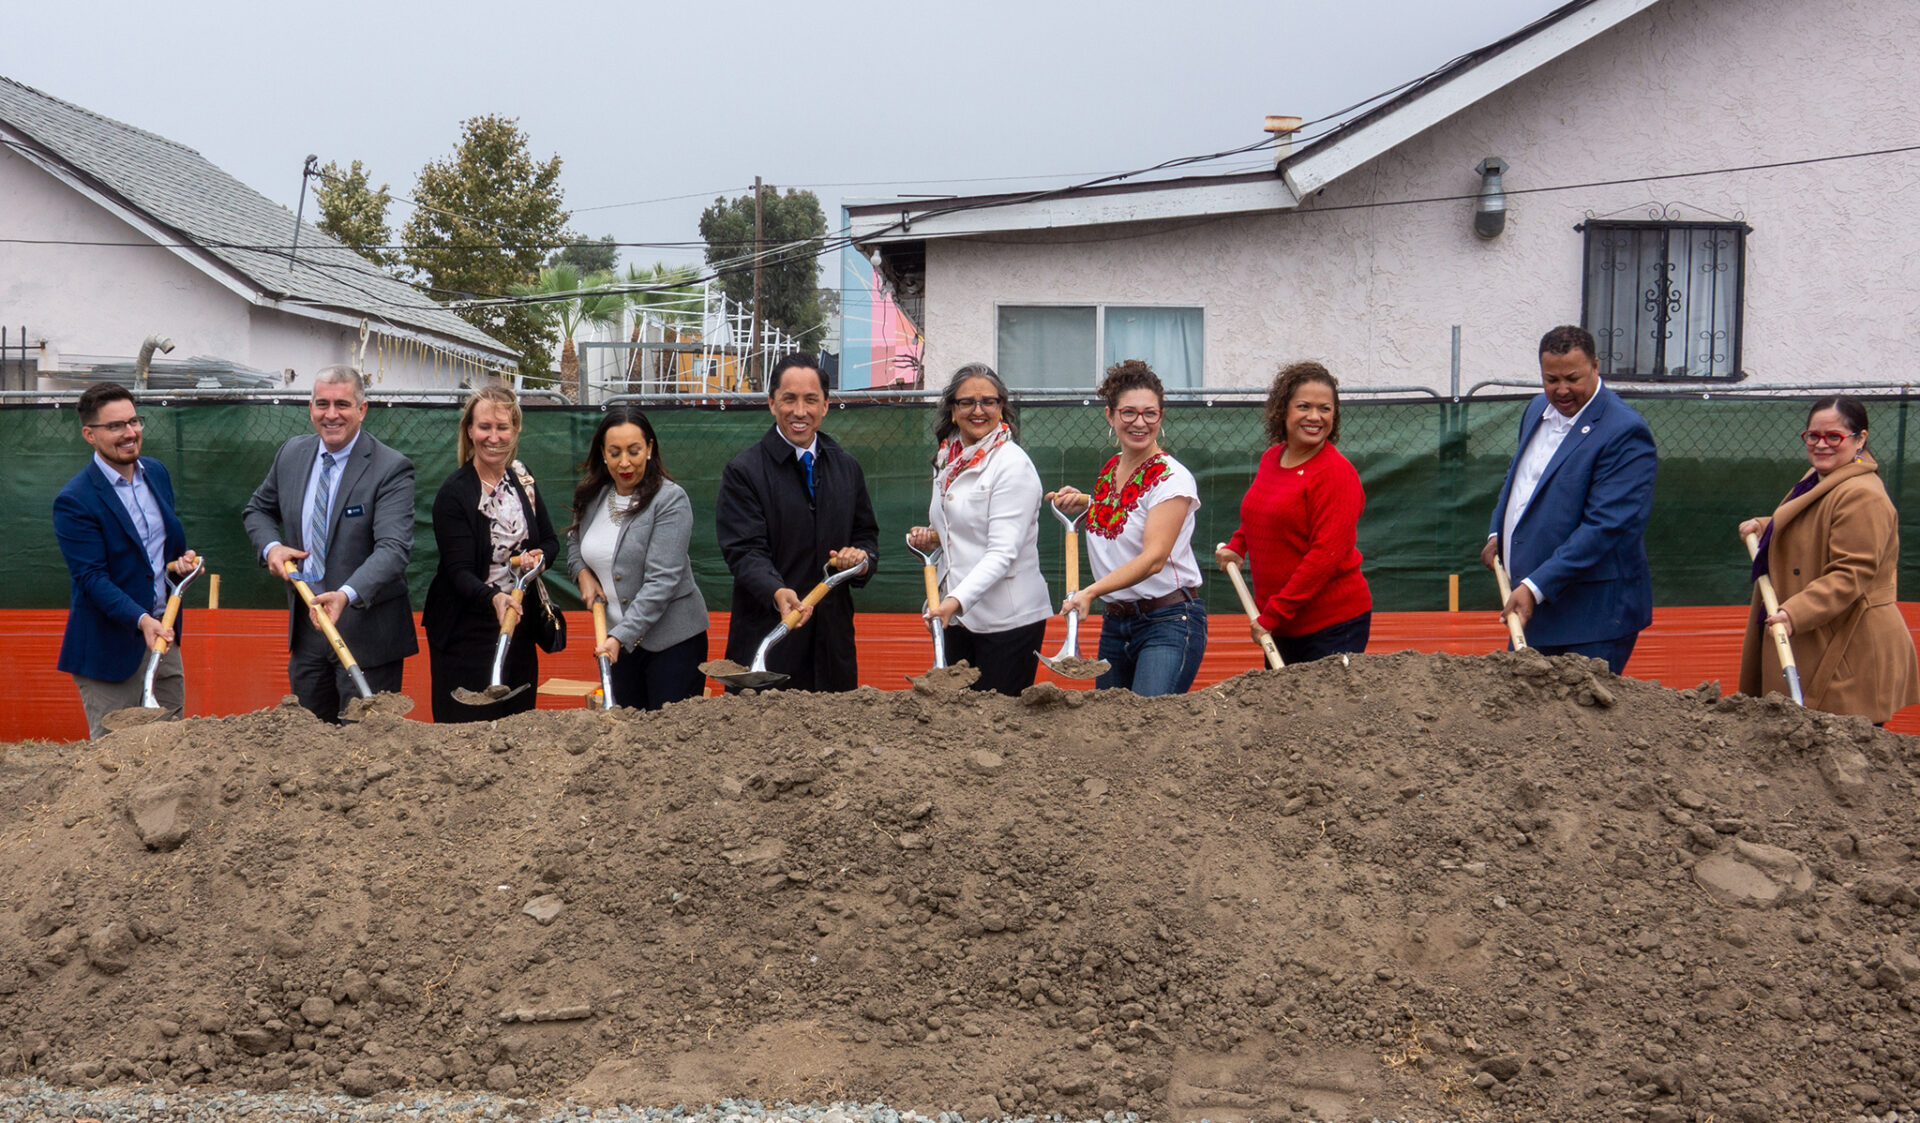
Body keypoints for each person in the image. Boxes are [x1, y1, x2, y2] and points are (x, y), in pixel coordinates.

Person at [242, 365, 418, 722]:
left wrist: (346, 595)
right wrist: (272, 548)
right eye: (322, 404)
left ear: (362, 410)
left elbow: (393, 549)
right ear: (310, 408)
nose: (331, 414)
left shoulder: (390, 468)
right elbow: (257, 510)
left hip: (367, 638)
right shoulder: (291, 454)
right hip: (309, 636)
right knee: (307, 745)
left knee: (364, 750)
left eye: (342, 404)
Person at [1481, 325, 1657, 674]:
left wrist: (1534, 587)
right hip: (1534, 611)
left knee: (1579, 723)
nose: (1561, 390)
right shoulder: (1536, 410)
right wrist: (1496, 532)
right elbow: (1519, 478)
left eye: (1573, 378)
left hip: (1591, 620)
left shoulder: (1624, 432)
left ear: (1595, 366)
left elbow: (1606, 527)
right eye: (1551, 379)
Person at [1738, 396, 1920, 723]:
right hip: (1823, 635)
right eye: (1813, 436)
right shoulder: (1821, 478)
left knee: (1848, 754)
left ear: (1860, 439)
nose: (1822, 445)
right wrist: (1766, 527)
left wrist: (1794, 613)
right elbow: (1815, 524)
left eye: (1834, 437)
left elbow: (1851, 573)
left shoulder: (1862, 494)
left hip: (1849, 647)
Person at [715, 352, 878, 691]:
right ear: (772, 402)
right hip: (768, 636)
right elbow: (745, 552)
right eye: (789, 399)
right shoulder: (744, 472)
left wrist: (860, 561)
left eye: (811, 400)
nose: (800, 411)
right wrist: (776, 591)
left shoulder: (846, 468)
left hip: (832, 646)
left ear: (826, 405)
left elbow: (866, 536)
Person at [1050, 359, 1208, 696]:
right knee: (1113, 733)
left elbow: (1153, 558)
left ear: (1161, 417)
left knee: (1149, 730)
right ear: (1110, 415)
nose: (1140, 423)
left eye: (1150, 413)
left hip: (1168, 621)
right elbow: (1128, 513)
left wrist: (1090, 592)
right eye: (1129, 413)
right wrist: (1088, 503)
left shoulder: (1172, 478)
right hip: (1116, 624)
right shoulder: (1111, 471)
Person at [52, 382, 201, 738]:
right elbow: (91, 579)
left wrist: (177, 566)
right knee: (114, 764)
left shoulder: (157, 474)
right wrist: (141, 620)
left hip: (163, 642)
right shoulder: (75, 500)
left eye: (134, 422)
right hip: (108, 651)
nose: (130, 433)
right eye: (115, 426)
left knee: (171, 752)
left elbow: (154, 555)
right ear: (90, 434)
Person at [907, 363, 1052, 696]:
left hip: (1007, 621)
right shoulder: (947, 459)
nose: (978, 410)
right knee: (958, 723)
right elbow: (958, 524)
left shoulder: (1012, 465)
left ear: (1001, 408)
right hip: (957, 617)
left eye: (989, 401)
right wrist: (934, 534)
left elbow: (1002, 551)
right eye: (967, 402)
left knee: (997, 724)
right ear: (953, 411)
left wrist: (954, 602)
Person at [1216, 360, 1372, 663]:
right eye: (1304, 406)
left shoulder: (1336, 474)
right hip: (1281, 624)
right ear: (1283, 410)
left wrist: (1273, 615)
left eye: (1325, 409)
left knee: (1320, 710)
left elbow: (1324, 558)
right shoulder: (1274, 457)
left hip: (1331, 627)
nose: (1314, 417)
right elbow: (1261, 512)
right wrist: (1239, 545)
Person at [422, 386, 562, 723]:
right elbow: (458, 571)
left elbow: (550, 542)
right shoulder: (455, 492)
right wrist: (494, 600)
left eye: (502, 427)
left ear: (515, 430)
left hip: (518, 623)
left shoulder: (523, 479)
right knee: (465, 733)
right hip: (465, 629)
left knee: (516, 727)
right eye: (485, 427)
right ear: (470, 431)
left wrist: (536, 560)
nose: (493, 437)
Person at [566, 405, 709, 710]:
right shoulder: (593, 495)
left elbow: (662, 580)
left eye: (634, 450)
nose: (625, 462)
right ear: (603, 454)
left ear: (649, 449)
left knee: (668, 739)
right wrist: (582, 573)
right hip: (620, 644)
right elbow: (574, 541)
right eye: (615, 452)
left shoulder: (670, 500)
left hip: (671, 645)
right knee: (628, 737)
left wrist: (620, 637)